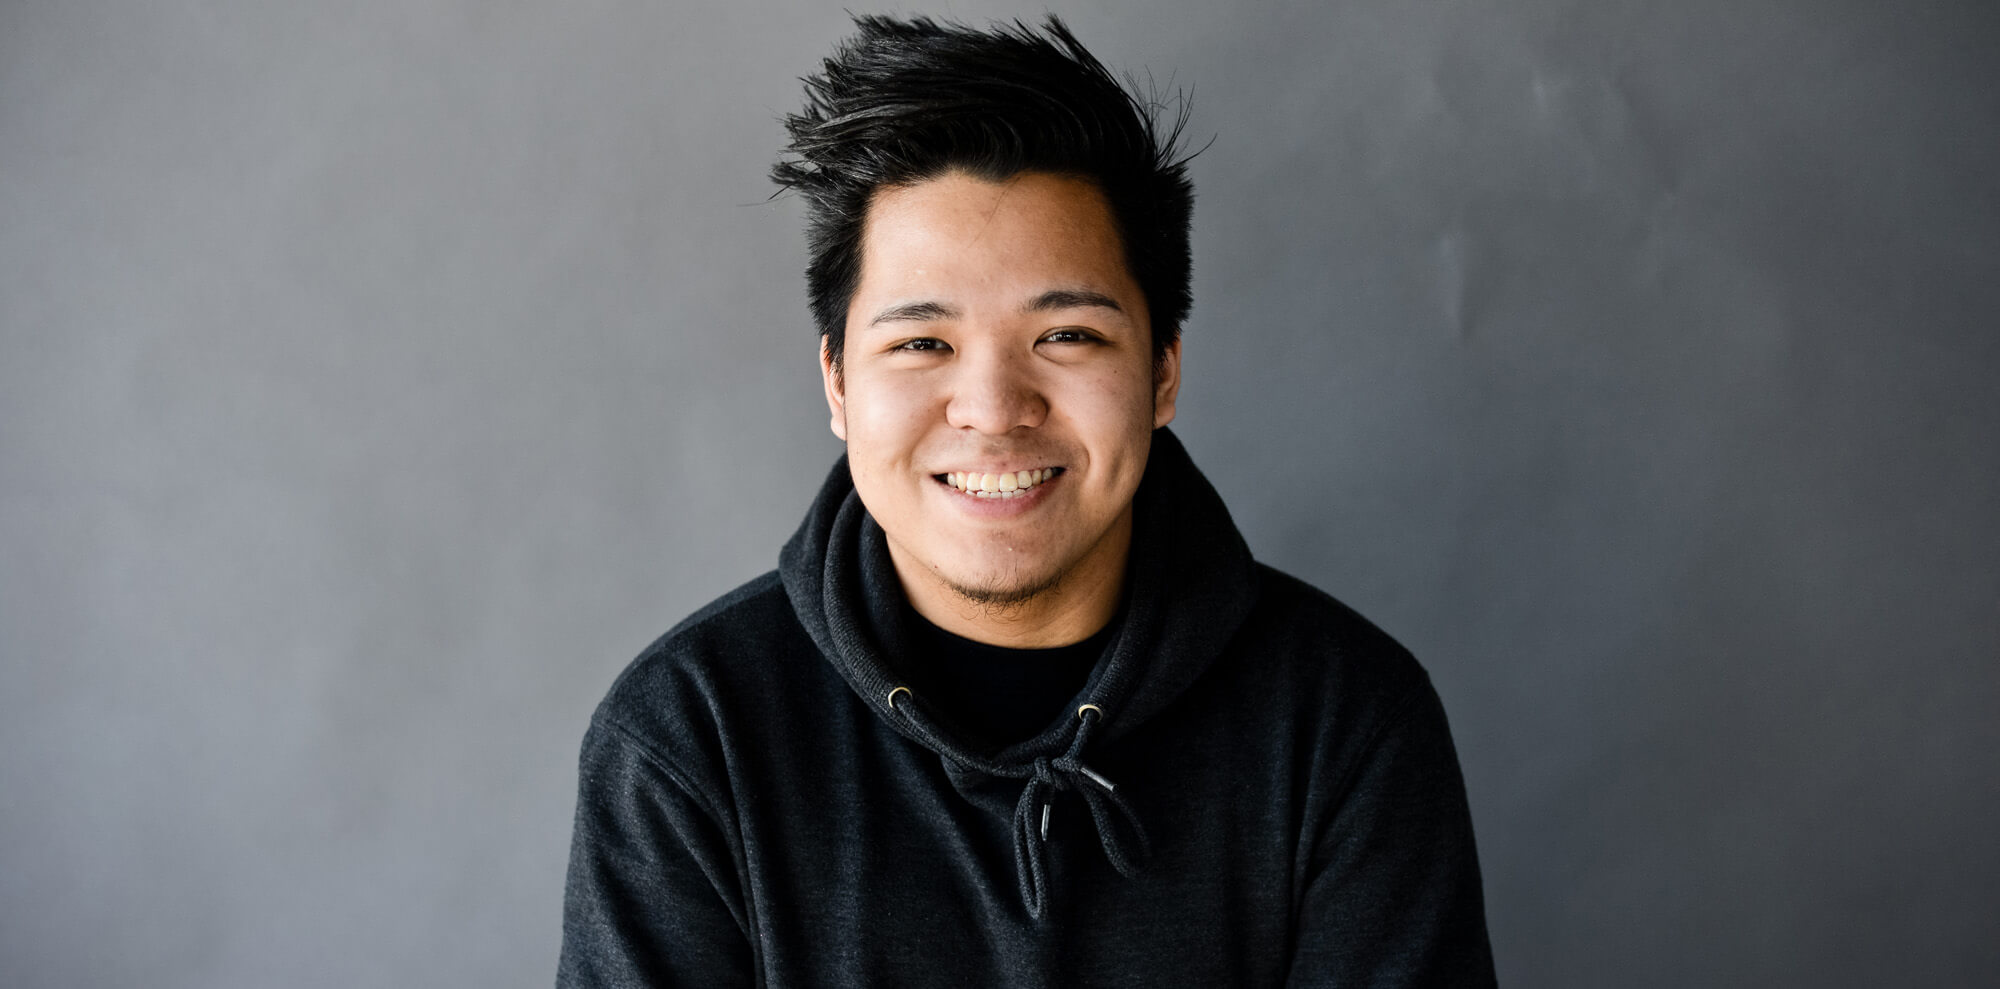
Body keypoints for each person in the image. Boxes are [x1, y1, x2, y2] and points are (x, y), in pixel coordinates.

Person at [558, 14, 1495, 987]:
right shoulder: (689, 736)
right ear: (836, 382)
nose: (995, 408)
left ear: (1162, 370)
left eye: (1066, 337)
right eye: (921, 343)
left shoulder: (1344, 721)